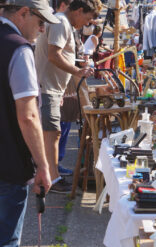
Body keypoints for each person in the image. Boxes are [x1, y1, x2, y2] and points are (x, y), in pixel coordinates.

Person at [0, 0, 59, 247]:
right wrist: (43, 165)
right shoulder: (18, 48)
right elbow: (28, 115)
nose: (43, 29)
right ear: (24, 13)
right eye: (41, 22)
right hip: (8, 165)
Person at [35, 0, 100, 193]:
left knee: (52, 133)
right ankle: (52, 179)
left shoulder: (61, 22)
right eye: (87, 19)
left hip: (52, 87)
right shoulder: (61, 22)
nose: (86, 24)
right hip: (48, 88)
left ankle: (51, 174)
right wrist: (77, 71)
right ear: (79, 11)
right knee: (51, 133)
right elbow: (53, 55)